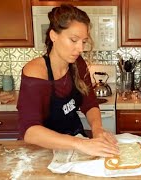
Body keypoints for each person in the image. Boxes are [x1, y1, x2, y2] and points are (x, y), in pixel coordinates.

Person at [17, 4, 119, 157]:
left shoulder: (78, 64)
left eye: (83, 42)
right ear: (54, 36)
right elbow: (30, 131)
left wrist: (97, 130)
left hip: (75, 140)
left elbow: (89, 103)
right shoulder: (36, 72)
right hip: (43, 151)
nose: (80, 49)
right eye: (73, 40)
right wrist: (80, 144)